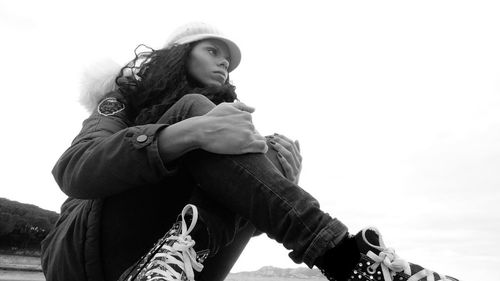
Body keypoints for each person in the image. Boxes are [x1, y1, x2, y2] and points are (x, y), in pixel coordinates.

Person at [41, 22, 459, 281]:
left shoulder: (224, 128)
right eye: (213, 51)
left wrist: (278, 180)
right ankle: (346, 258)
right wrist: (184, 133)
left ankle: (165, 271)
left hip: (162, 264)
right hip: (81, 256)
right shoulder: (120, 101)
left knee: (261, 149)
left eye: (229, 59)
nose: (225, 63)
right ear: (178, 56)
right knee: (200, 115)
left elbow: (238, 218)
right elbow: (74, 171)